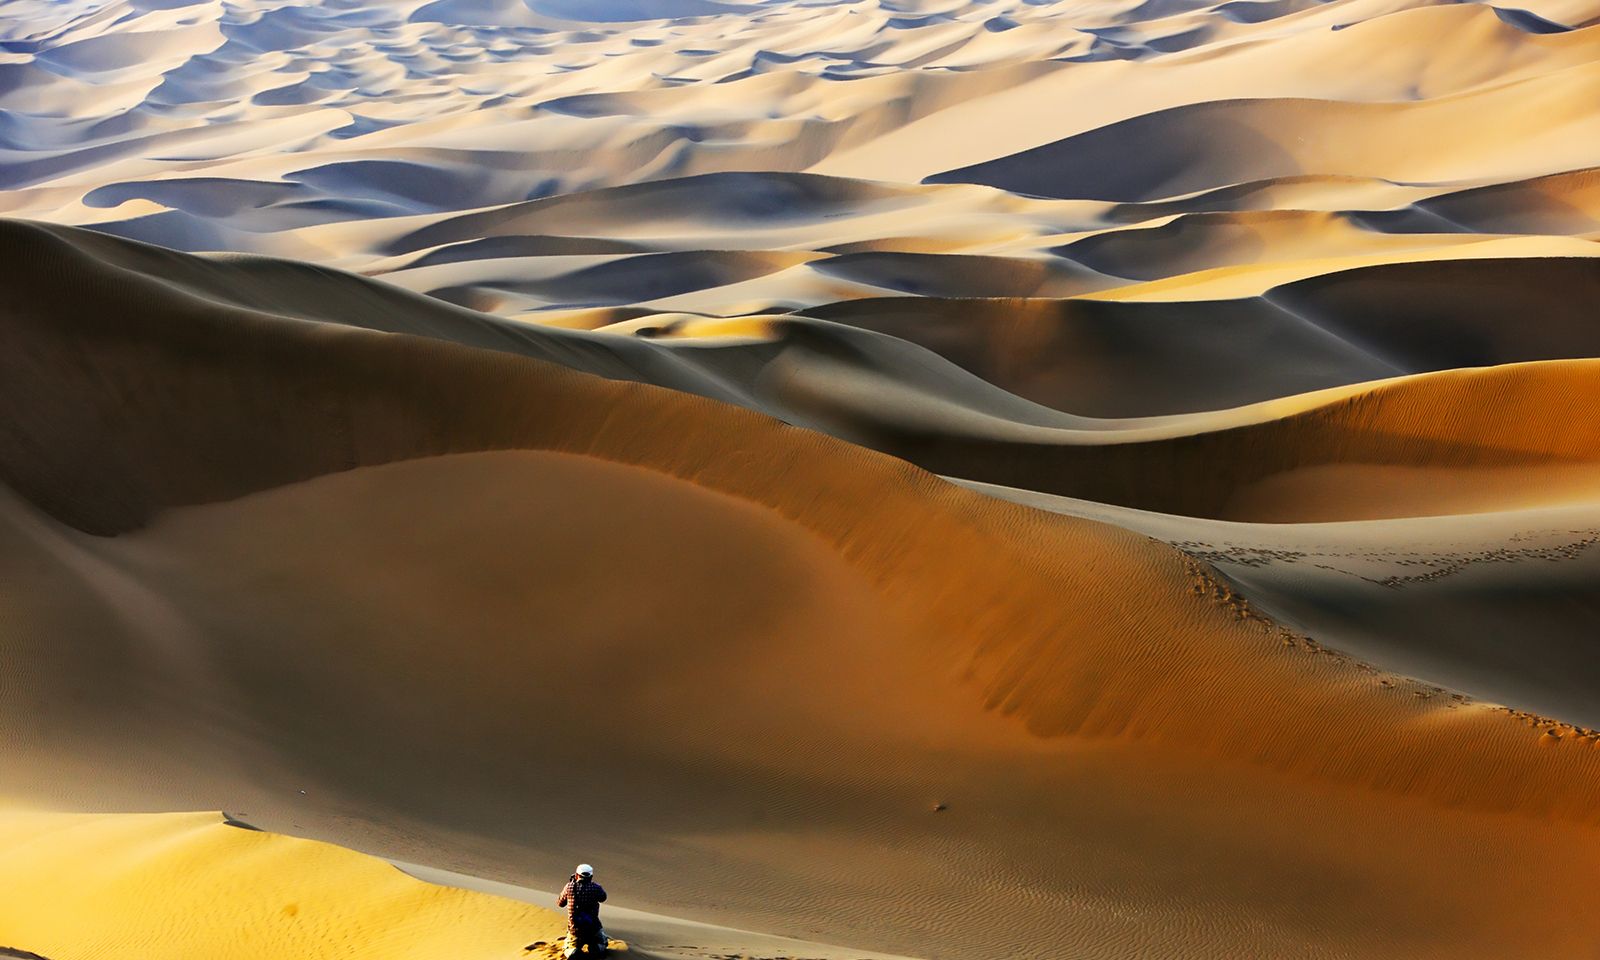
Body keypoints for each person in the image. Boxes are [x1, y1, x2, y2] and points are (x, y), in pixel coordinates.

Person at [556, 863, 608, 958]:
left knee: (568, 948)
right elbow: (603, 898)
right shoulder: (596, 888)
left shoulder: (569, 887)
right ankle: (596, 948)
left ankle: (573, 952)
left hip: (575, 929)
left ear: (576, 875)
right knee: (603, 942)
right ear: (591, 876)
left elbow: (560, 903)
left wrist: (572, 884)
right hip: (593, 928)